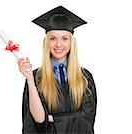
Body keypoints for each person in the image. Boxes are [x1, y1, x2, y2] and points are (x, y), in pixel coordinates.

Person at [17, 6, 97, 134]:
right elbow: (37, 120)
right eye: (53, 38)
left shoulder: (85, 77)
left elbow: (86, 118)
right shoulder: (36, 77)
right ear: (46, 42)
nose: (58, 44)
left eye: (64, 38)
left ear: (71, 42)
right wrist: (30, 81)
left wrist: (52, 118)